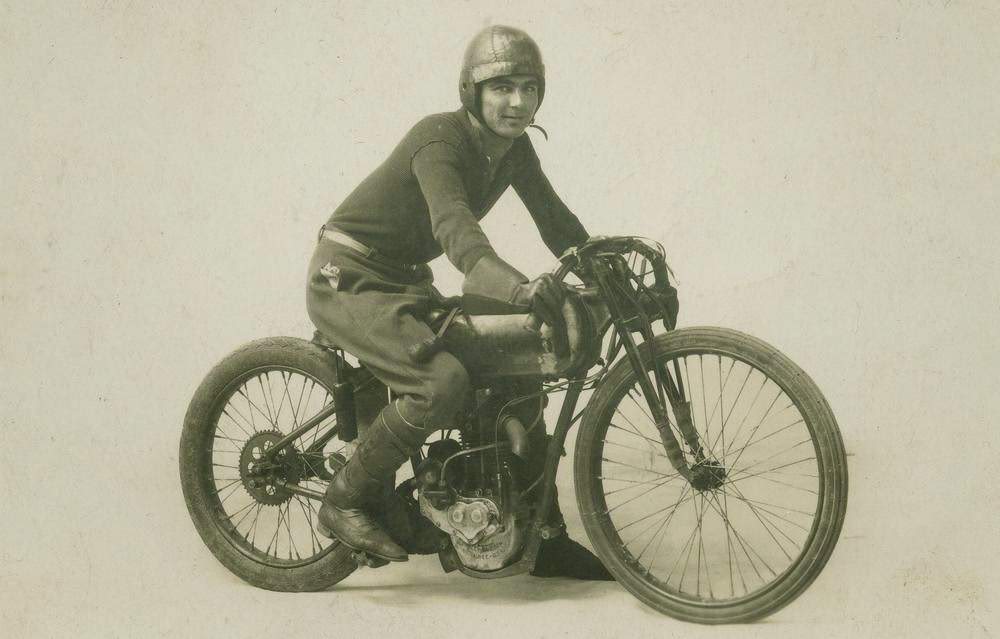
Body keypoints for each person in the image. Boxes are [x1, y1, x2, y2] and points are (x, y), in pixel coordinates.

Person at [306, 25, 611, 580]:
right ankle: (344, 499)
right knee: (440, 383)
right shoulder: (439, 141)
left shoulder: (514, 150)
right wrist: (519, 290)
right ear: (472, 93)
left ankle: (545, 537)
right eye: (501, 87)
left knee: (521, 365)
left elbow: (554, 219)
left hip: (404, 281)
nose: (517, 102)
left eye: (528, 87)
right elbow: (457, 233)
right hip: (349, 276)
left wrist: (601, 264)